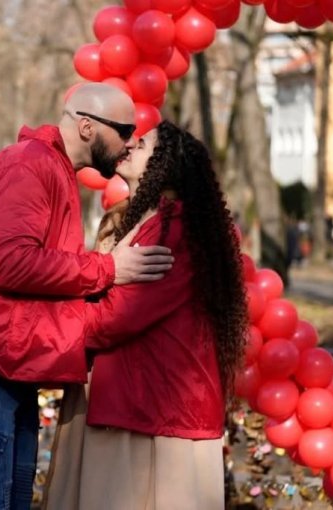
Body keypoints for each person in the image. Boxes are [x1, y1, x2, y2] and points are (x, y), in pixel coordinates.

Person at [0, 83, 175, 510]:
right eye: (125, 130)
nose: (130, 142)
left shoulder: (51, 168)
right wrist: (109, 269)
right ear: (89, 127)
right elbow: (10, 264)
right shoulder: (28, 165)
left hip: (8, 362)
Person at [44, 120, 248, 510]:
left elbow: (116, 317)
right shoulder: (144, 223)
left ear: (168, 164)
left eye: (145, 143)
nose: (131, 144)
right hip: (132, 405)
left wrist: (42, 320)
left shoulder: (176, 230)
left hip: (151, 415)